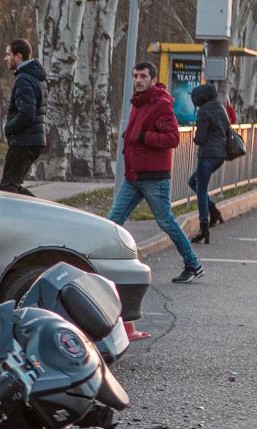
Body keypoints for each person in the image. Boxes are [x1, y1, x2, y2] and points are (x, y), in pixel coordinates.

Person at [108, 62, 203, 283]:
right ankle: (99, 263)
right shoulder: (138, 103)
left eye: (143, 76)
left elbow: (172, 138)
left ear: (153, 79)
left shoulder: (161, 104)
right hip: (133, 176)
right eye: (135, 76)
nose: (138, 80)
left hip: (154, 178)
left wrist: (144, 137)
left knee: (166, 222)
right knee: (113, 221)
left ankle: (192, 264)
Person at [0, 38, 47, 196]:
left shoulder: (24, 79)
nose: (6, 59)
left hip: (24, 142)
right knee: (12, 187)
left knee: (8, 188)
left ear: (18, 56)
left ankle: (41, 214)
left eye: (8, 55)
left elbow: (27, 114)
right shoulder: (34, 77)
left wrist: (8, 129)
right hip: (32, 141)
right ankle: (39, 214)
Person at [188, 83, 230, 244]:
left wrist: (194, 137)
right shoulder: (220, 107)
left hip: (207, 155)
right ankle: (213, 210)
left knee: (200, 189)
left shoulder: (203, 112)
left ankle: (204, 228)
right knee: (194, 182)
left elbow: (200, 138)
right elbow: (226, 129)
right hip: (220, 155)